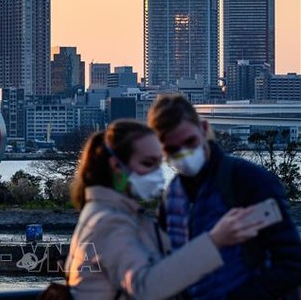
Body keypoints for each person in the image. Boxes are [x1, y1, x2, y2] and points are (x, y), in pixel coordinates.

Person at [66, 119, 261, 300]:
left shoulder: (108, 213)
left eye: (159, 163)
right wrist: (214, 241)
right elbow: (145, 287)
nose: (157, 174)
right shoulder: (109, 222)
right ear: (117, 166)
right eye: (147, 163)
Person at [148, 94, 301, 299]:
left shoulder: (248, 181)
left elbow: (291, 262)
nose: (184, 153)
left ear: (203, 129)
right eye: (173, 149)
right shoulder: (172, 197)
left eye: (189, 142)